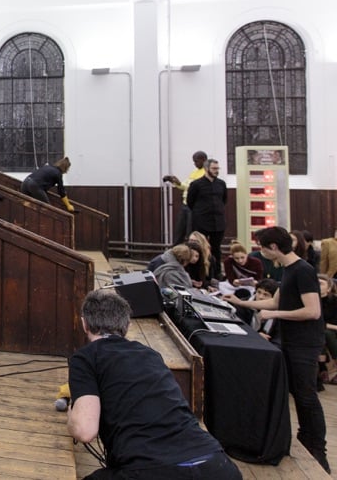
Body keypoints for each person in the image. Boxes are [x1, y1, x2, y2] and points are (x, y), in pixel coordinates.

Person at [67, 289, 241, 479]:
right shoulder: (150, 354)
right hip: (217, 465)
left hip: (153, 469)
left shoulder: (85, 358)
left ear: (84, 323)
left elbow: (84, 431)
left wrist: (72, 416)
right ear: (126, 325)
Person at [224, 226, 329, 473]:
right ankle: (306, 439)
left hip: (305, 342)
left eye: (262, 246)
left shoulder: (303, 270)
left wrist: (275, 314)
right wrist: (241, 302)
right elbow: (275, 300)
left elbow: (312, 311)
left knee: (306, 396)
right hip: (292, 340)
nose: (259, 250)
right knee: (298, 393)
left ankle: (318, 449)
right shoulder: (290, 269)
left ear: (273, 247)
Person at [187, 158, 226, 281]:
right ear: (206, 169)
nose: (216, 171)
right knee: (199, 247)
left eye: (217, 169)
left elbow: (224, 200)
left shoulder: (221, 184)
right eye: (214, 169)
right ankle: (200, 272)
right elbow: (190, 202)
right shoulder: (196, 184)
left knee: (216, 248)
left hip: (218, 221)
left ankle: (217, 272)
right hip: (202, 220)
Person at [163, 150, 207, 246]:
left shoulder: (206, 173)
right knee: (180, 230)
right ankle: (176, 250)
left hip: (195, 206)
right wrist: (175, 182)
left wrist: (182, 184)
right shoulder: (194, 172)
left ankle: (190, 251)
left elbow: (196, 188)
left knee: (190, 231)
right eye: (194, 161)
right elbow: (185, 186)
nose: (194, 164)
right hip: (185, 204)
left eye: (196, 161)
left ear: (204, 160)